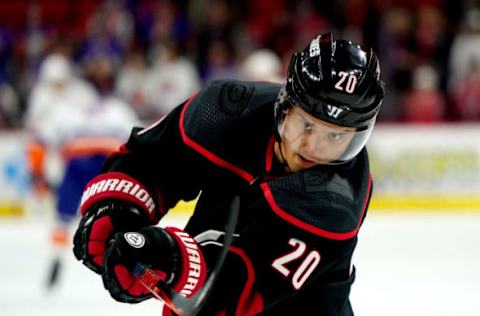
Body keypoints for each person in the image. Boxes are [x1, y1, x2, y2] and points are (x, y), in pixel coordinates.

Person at [73, 32, 385, 315]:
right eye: (307, 125)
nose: (313, 147)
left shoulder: (338, 200)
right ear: (286, 105)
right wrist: (116, 210)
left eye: (336, 137)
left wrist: (167, 262)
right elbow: (150, 159)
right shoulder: (225, 110)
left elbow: (235, 288)